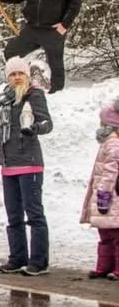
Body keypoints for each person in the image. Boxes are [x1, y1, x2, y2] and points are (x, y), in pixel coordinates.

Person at [0, 56, 54, 276]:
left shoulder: (34, 94)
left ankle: (39, 262)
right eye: (12, 74)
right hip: (8, 162)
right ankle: (18, 257)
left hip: (29, 163)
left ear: (27, 75)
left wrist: (35, 128)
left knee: (34, 214)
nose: (17, 77)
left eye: (20, 73)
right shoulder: (6, 97)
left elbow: (48, 123)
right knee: (13, 215)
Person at [82, 99, 119, 280]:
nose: (100, 125)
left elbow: (110, 171)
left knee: (114, 235)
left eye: (103, 122)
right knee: (105, 234)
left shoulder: (113, 144)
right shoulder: (108, 142)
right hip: (105, 197)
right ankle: (104, 266)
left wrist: (104, 194)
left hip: (111, 198)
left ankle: (113, 268)